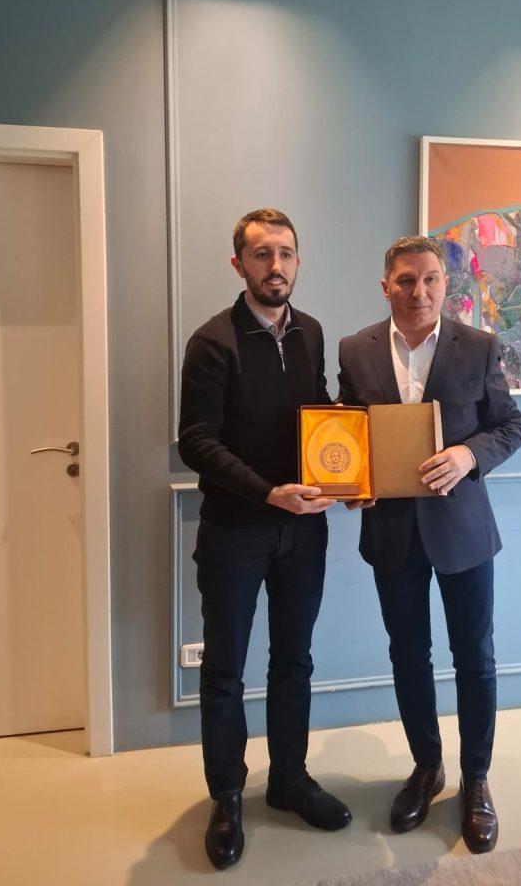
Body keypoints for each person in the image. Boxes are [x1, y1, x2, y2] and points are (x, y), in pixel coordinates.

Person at [337, 235, 521, 854]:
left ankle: (476, 779)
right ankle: (426, 766)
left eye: (429, 280)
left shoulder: (480, 345)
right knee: (408, 655)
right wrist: (350, 484)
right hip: (391, 531)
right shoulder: (355, 350)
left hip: (463, 532)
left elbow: (511, 425)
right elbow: (347, 430)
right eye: (405, 280)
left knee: (475, 657)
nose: (418, 292)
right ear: (386, 286)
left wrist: (469, 455)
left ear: (446, 285)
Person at [178, 209, 351, 871]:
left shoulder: (311, 332)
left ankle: (288, 781)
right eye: (260, 254)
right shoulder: (211, 342)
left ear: (298, 261)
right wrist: (267, 491)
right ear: (239, 265)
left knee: (294, 661)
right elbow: (196, 442)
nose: (274, 266)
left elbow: (320, 415)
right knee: (225, 671)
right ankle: (227, 795)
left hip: (304, 531)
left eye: (285, 253)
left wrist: (351, 468)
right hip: (235, 533)